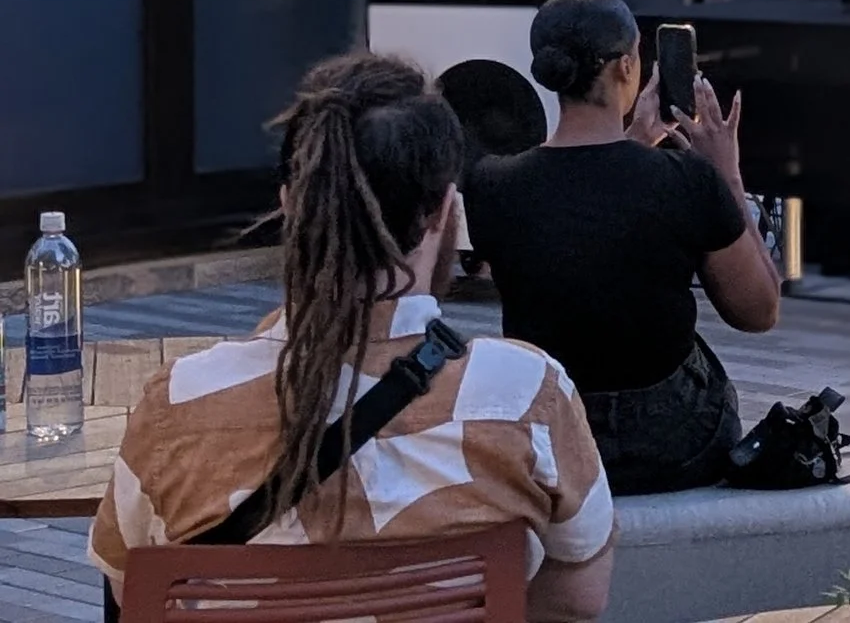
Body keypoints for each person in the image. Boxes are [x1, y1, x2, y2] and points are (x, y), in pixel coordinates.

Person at [90, 54, 613, 623]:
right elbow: (578, 598)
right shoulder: (526, 396)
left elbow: (128, 589)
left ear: (290, 206)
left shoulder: (178, 405)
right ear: (443, 210)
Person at [463, 0, 783, 495]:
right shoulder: (685, 180)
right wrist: (727, 174)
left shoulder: (491, 185)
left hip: (551, 439)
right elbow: (758, 311)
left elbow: (581, 213)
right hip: (673, 444)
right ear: (627, 66)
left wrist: (634, 142)